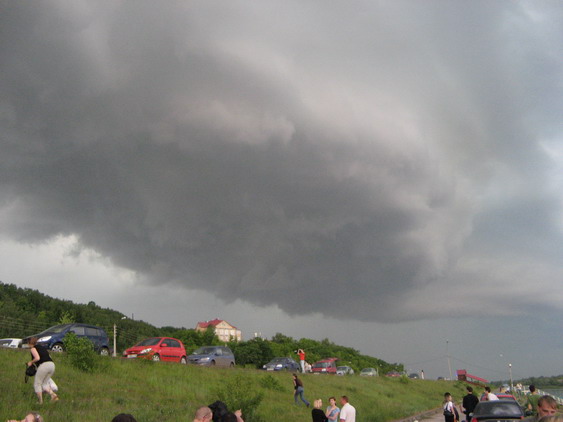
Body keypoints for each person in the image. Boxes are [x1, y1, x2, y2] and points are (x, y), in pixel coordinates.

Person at [27, 337, 58, 404]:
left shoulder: (33, 348)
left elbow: (37, 358)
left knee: (37, 384)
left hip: (44, 365)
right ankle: (53, 395)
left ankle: (40, 402)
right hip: (52, 365)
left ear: (29, 343)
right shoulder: (42, 348)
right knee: (44, 383)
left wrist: (31, 362)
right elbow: (49, 357)